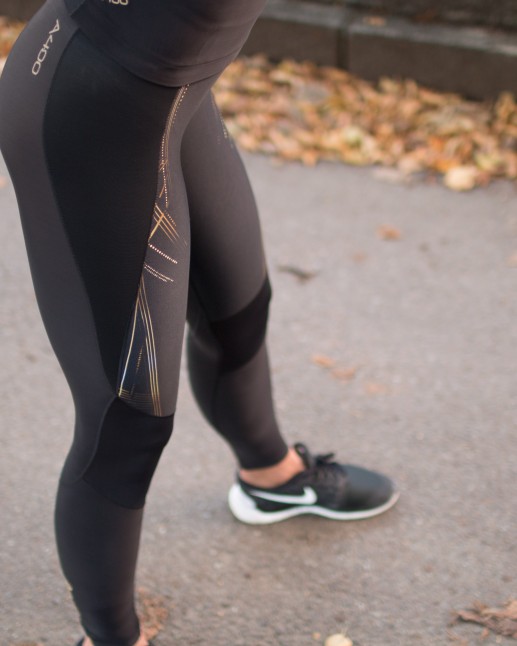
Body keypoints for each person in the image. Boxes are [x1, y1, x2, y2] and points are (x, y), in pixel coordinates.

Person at [0, 1, 399, 644]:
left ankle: (271, 477)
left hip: (175, 98)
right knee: (127, 420)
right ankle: (111, 636)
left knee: (238, 312)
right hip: (88, 111)